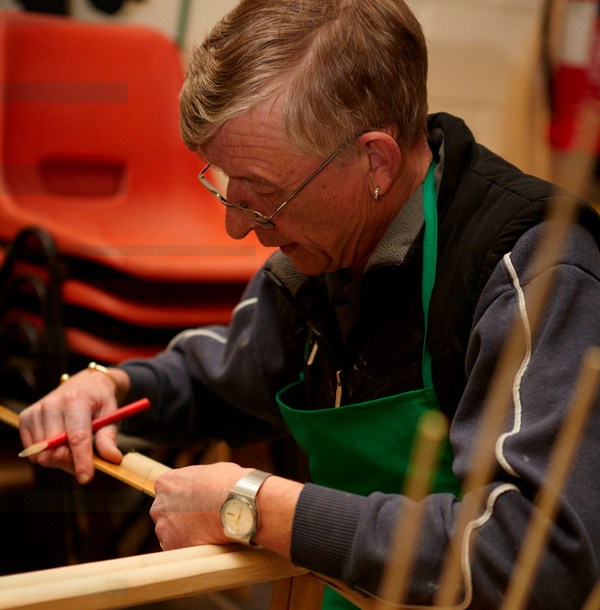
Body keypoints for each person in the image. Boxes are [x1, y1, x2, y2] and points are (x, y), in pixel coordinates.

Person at [18, 1, 600, 608]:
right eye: (224, 186)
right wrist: (109, 389)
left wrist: (256, 507)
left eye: (263, 197)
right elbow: (225, 378)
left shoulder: (536, 271)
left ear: (375, 161)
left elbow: (535, 556)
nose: (236, 228)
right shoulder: (317, 258)